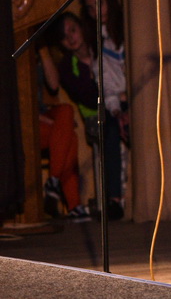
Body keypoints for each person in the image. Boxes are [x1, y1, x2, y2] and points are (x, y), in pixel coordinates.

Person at [39, 12, 124, 221]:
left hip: (120, 103)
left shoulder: (100, 47)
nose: (70, 38)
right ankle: (109, 201)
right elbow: (89, 97)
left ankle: (57, 187)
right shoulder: (68, 67)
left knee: (67, 117)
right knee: (106, 127)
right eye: (64, 37)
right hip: (97, 114)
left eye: (73, 30)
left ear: (81, 28)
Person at [36, 43, 86, 220]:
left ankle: (53, 182)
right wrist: (49, 122)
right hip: (21, 124)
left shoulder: (39, 53)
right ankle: (74, 205)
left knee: (66, 110)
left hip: (42, 116)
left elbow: (54, 85)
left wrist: (43, 49)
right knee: (69, 136)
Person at [80, 0, 129, 146]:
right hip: (119, 102)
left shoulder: (129, 27)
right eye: (90, 8)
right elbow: (105, 83)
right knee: (109, 129)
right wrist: (117, 111)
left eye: (99, 3)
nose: (96, 11)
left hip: (142, 96)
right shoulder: (97, 43)